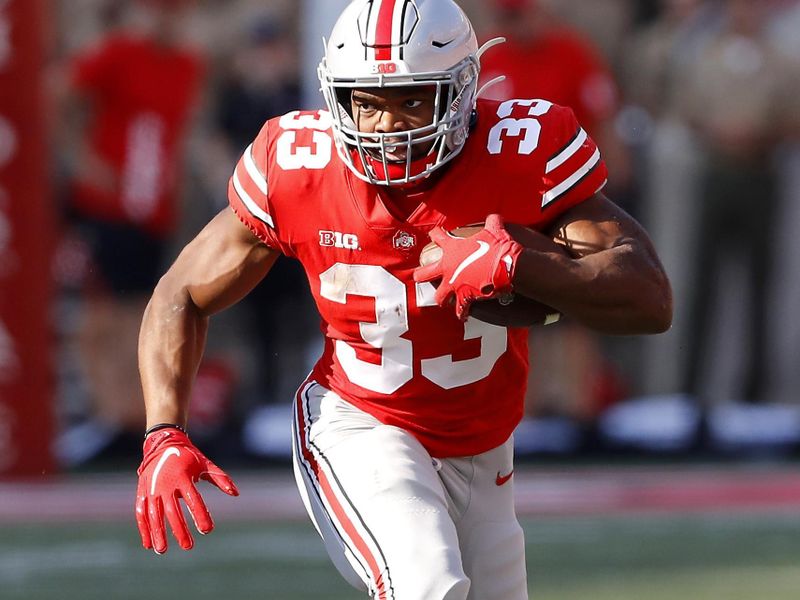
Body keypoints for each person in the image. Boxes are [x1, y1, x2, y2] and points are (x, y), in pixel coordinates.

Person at [134, 1, 672, 598]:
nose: (387, 125)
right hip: (360, 421)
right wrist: (164, 432)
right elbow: (180, 292)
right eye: (366, 101)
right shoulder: (299, 164)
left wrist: (522, 262)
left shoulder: (522, 150)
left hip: (484, 446)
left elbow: (647, 297)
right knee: (427, 587)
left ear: (463, 90)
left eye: (412, 99)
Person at [55, 0, 204, 458]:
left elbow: (178, 134)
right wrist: (82, 162)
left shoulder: (186, 65)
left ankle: (130, 418)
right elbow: (58, 95)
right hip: (106, 204)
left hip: (151, 210)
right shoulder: (118, 54)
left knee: (143, 310)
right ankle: (109, 412)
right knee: (105, 313)